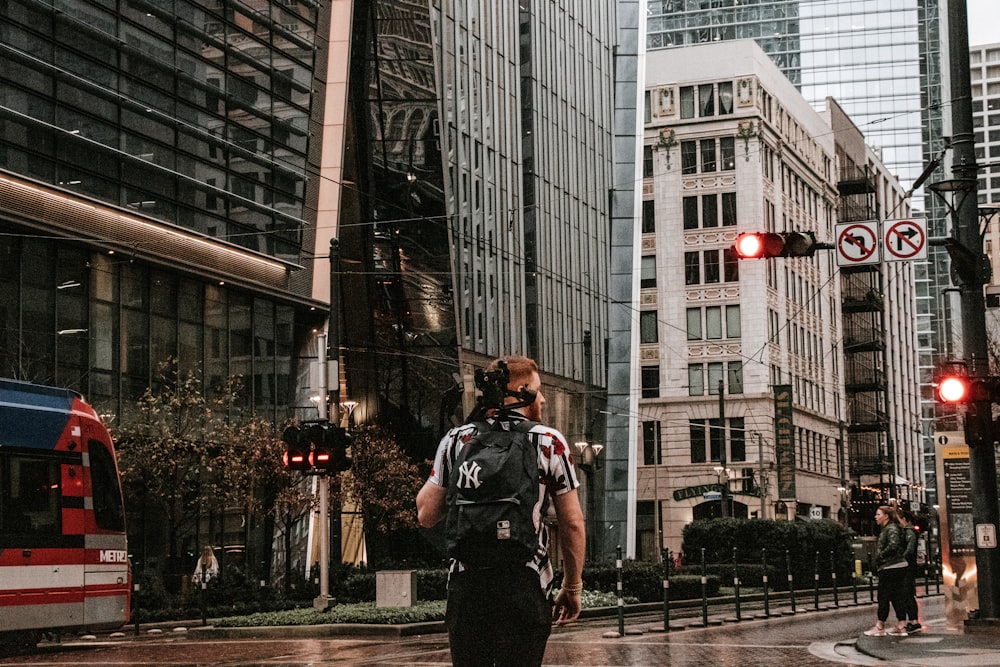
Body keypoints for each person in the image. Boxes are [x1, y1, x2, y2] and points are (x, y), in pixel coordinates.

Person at [416, 355, 586, 667]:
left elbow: (426, 514)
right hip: (524, 583)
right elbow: (572, 523)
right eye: (538, 388)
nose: (544, 397)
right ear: (522, 391)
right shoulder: (548, 441)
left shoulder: (457, 438)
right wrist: (572, 587)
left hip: (467, 586)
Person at [864, 505, 909, 637]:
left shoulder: (891, 528)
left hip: (890, 566)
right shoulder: (892, 528)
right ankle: (901, 625)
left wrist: (880, 556)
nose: (875, 517)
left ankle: (880, 626)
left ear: (886, 516)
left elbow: (893, 545)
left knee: (883, 596)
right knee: (896, 596)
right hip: (898, 565)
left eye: (878, 514)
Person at [899, 509, 921, 633]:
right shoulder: (908, 532)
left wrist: (901, 557)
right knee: (906, 594)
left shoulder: (909, 532)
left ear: (905, 520)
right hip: (908, 566)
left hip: (907, 566)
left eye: (900, 520)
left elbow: (910, 550)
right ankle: (912, 620)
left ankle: (914, 620)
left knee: (907, 593)